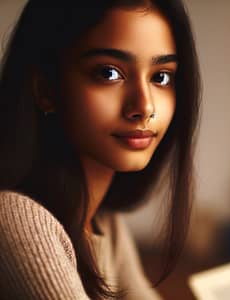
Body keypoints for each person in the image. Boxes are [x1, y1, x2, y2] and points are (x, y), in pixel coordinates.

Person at [0, 0, 201, 299]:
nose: (144, 107)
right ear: (45, 88)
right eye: (109, 73)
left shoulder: (106, 224)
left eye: (161, 77)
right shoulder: (14, 218)